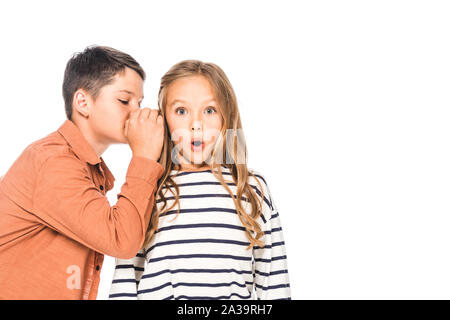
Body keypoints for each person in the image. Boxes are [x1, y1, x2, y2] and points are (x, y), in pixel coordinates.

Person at [109, 60, 290, 300]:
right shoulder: (147, 189)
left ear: (227, 116)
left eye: (209, 110)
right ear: (163, 120)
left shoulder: (252, 189)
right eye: (181, 111)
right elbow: (125, 279)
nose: (196, 125)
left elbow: (274, 283)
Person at [0, 46, 164, 299]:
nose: (137, 112)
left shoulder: (86, 168)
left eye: (139, 102)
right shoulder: (53, 162)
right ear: (83, 102)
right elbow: (121, 239)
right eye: (124, 100)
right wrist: (143, 157)